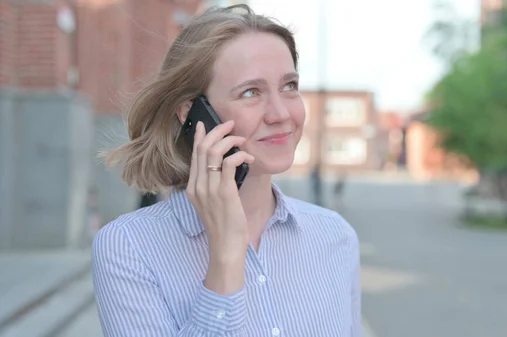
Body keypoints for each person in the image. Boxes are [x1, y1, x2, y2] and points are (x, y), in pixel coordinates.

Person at [92, 5, 361, 337]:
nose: (280, 113)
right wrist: (227, 254)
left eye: (289, 86)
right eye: (251, 92)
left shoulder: (336, 236)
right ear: (193, 115)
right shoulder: (128, 247)